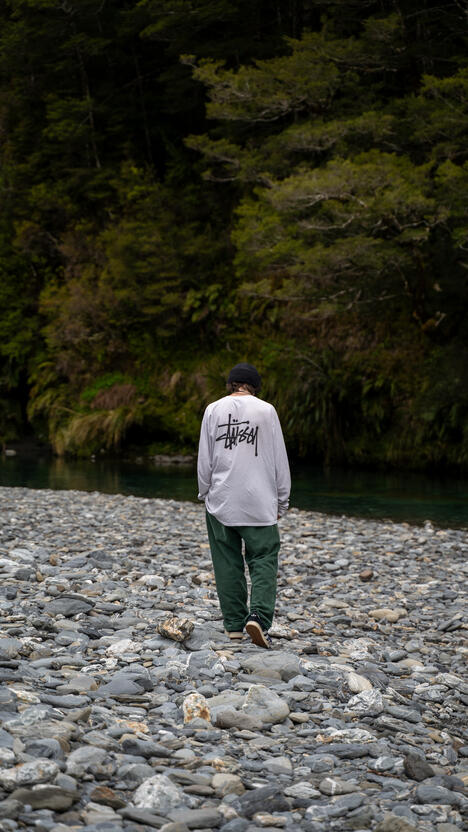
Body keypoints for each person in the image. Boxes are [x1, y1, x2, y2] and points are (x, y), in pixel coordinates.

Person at [197, 362, 291, 648]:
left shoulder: (213, 409)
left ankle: (235, 626)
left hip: (222, 499)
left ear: (230, 384)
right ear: (255, 387)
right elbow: (278, 459)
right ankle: (259, 618)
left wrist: (204, 492)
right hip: (259, 500)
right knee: (263, 558)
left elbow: (206, 457)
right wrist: (282, 500)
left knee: (227, 562)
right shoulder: (267, 411)